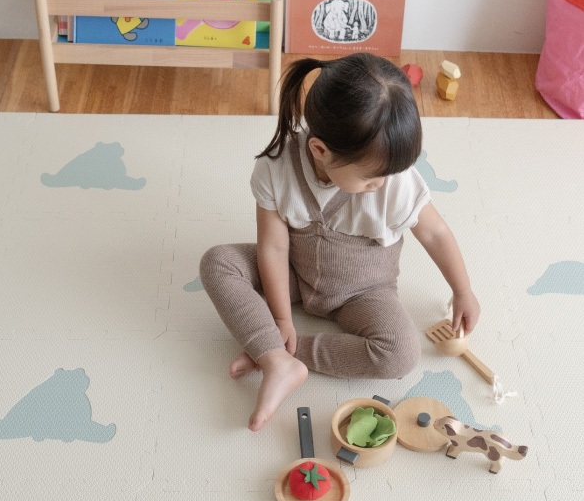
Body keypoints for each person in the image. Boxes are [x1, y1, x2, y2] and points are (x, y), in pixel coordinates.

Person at [200, 53, 480, 432]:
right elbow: (274, 247)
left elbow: (435, 232)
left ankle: (279, 354)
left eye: (387, 175)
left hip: (364, 292)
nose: (380, 185)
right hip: (296, 273)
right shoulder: (276, 167)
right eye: (370, 179)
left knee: (401, 354)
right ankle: (273, 355)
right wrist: (281, 318)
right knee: (218, 262)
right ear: (320, 150)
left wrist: (462, 290)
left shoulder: (394, 182)